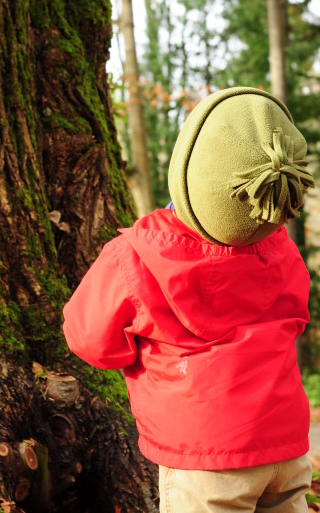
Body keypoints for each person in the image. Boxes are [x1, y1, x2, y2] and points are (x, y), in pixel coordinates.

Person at [63, 86, 316, 512]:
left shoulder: (139, 254)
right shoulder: (281, 249)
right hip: (286, 449)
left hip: (206, 459)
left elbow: (88, 339)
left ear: (188, 166)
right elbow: (296, 318)